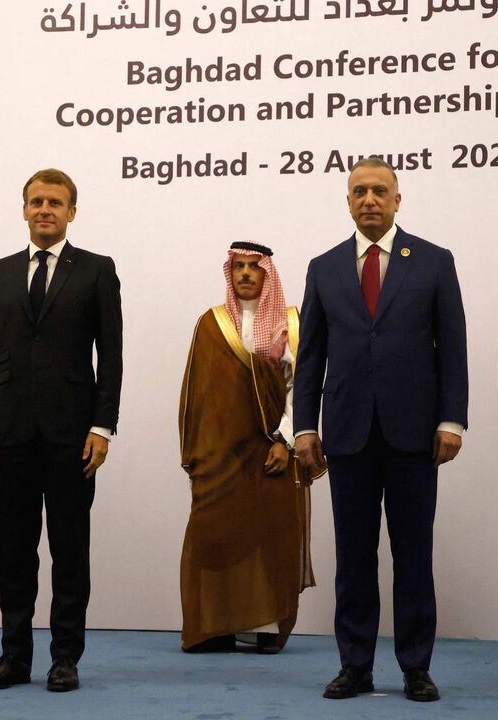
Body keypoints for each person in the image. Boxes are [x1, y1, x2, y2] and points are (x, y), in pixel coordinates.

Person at [293, 157, 468, 702]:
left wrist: (451, 419)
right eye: (359, 191)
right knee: (353, 558)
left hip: (415, 433)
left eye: (380, 191)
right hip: (346, 433)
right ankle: (356, 666)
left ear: (398, 199)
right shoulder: (323, 267)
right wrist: (303, 428)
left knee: (414, 555)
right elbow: (312, 355)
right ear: (348, 202)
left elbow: (453, 348)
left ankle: (416, 667)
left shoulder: (434, 261)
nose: (369, 199)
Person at [0, 168, 123, 693]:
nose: (44, 210)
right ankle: (14, 658)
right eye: (36, 201)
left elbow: (112, 358)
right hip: (8, 436)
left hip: (72, 436)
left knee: (69, 550)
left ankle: (65, 659)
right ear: (24, 209)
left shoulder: (97, 271)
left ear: (72, 212)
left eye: (55, 202)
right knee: (13, 552)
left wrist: (102, 427)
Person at [178, 241, 319, 655]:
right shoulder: (211, 323)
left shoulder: (289, 322)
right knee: (215, 536)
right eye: (237, 267)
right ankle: (214, 627)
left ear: (266, 274)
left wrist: (285, 441)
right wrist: (199, 452)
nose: (244, 274)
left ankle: (262, 627)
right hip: (220, 453)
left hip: (270, 452)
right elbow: (196, 393)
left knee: (267, 537)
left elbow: (300, 389)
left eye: (252, 268)